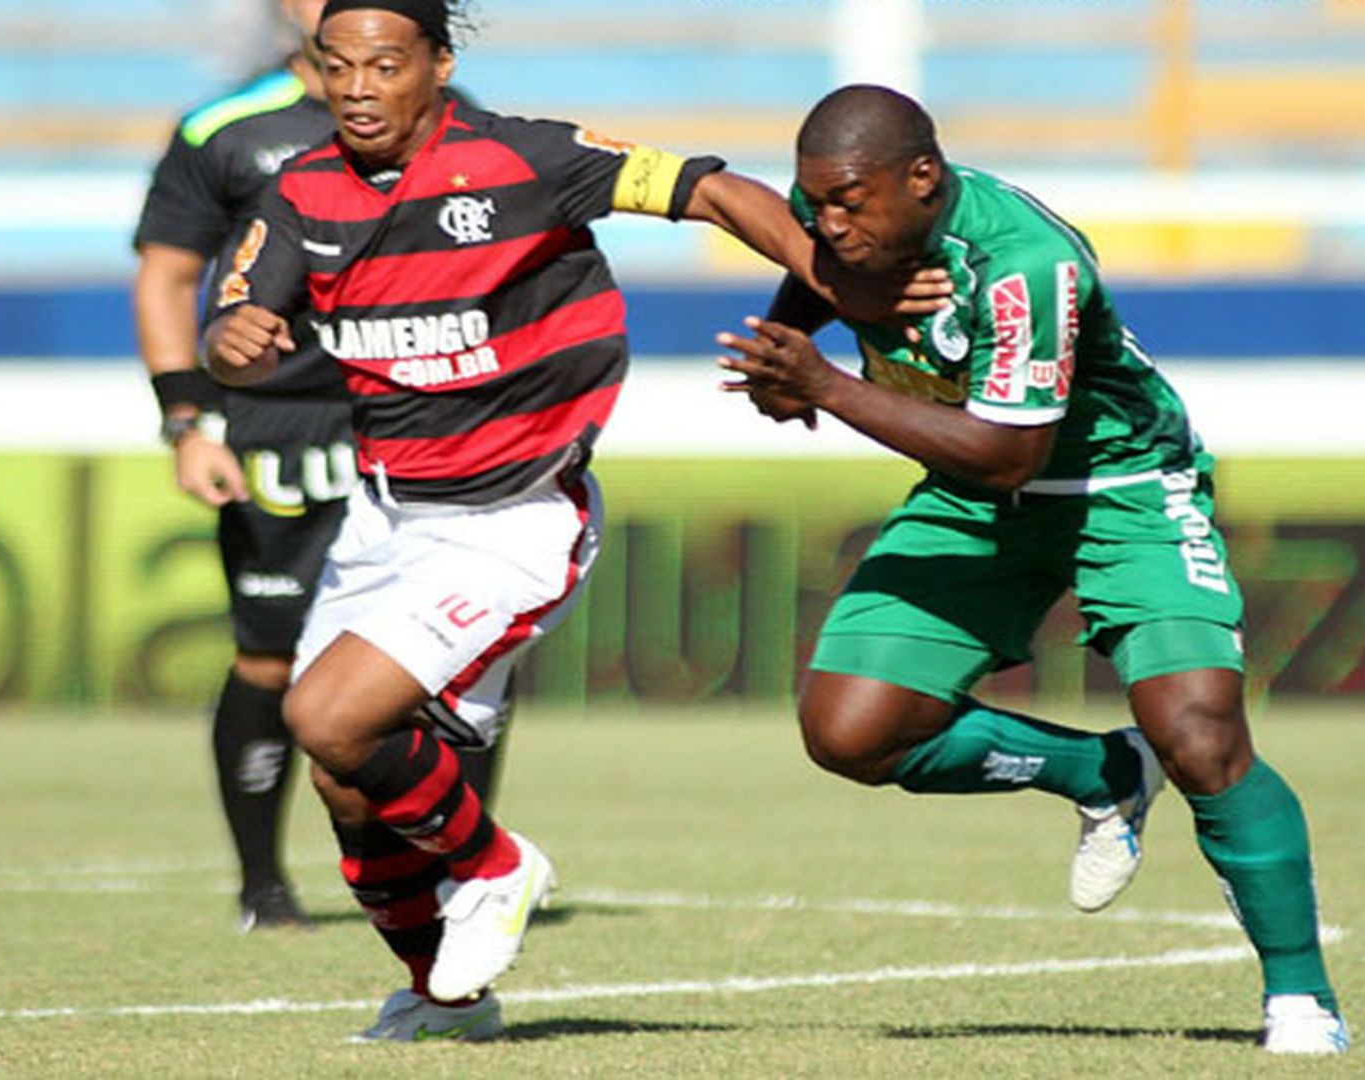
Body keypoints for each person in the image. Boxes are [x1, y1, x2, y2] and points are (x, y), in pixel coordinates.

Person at [205, 1, 947, 1042]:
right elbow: (240, 310)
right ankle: (443, 996)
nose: (360, 86)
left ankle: (496, 866)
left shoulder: (526, 157)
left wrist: (839, 282)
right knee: (344, 782)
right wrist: (233, 336)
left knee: (326, 718)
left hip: (515, 517)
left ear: (438, 64)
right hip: (383, 515)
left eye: (385, 63)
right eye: (339, 67)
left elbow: (706, 188)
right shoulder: (303, 189)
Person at [717, 84, 1348, 1056]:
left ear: (923, 178)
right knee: (850, 731)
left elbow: (1010, 451)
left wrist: (828, 386)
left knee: (1199, 733)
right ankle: (1100, 772)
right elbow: (814, 272)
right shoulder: (836, 214)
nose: (830, 228)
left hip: (1121, 486)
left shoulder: (1026, 265)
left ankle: (1301, 1001)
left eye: (849, 203)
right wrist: (781, 356)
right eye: (817, 207)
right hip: (973, 498)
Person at [134, 0, 505, 935]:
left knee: (455, 654)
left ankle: (461, 867)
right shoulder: (225, 130)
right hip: (279, 428)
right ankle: (263, 887)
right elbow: (169, 276)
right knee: (269, 656)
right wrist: (189, 421)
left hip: (417, 416)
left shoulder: (456, 123)